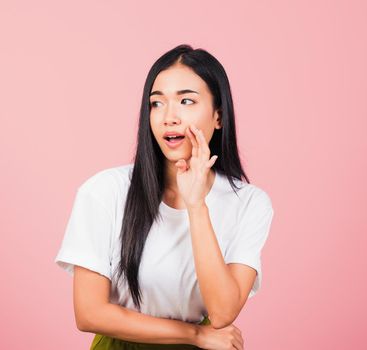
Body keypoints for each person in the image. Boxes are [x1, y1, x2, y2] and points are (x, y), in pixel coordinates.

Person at [54, 44, 275, 350]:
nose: (168, 117)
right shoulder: (105, 190)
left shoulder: (249, 202)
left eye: (186, 101)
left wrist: (197, 205)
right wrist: (195, 335)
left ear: (219, 116)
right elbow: (89, 313)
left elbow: (223, 312)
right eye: (156, 104)